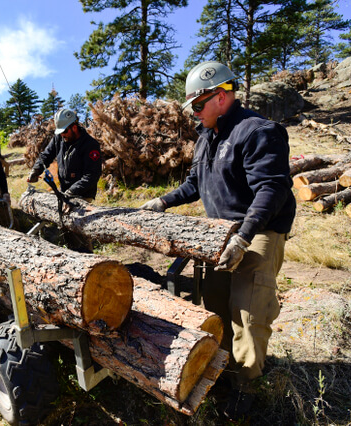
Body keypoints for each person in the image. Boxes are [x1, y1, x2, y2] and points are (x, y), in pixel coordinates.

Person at [142, 61, 296, 419]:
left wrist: (243, 238)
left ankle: (247, 393)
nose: (195, 114)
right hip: (219, 236)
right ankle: (223, 375)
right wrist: (163, 201)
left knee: (248, 312)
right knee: (216, 307)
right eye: (192, 108)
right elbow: (196, 184)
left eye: (199, 106)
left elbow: (271, 189)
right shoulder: (207, 137)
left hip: (257, 233)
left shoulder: (257, 131)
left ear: (222, 97)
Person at [27, 108, 102, 250]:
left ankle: (88, 260)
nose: (62, 135)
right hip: (64, 192)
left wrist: (70, 193)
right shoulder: (60, 138)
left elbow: (91, 176)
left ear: (74, 127)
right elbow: (46, 155)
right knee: (67, 230)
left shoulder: (90, 145)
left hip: (82, 194)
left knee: (78, 232)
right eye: (60, 132)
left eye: (64, 132)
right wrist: (36, 170)